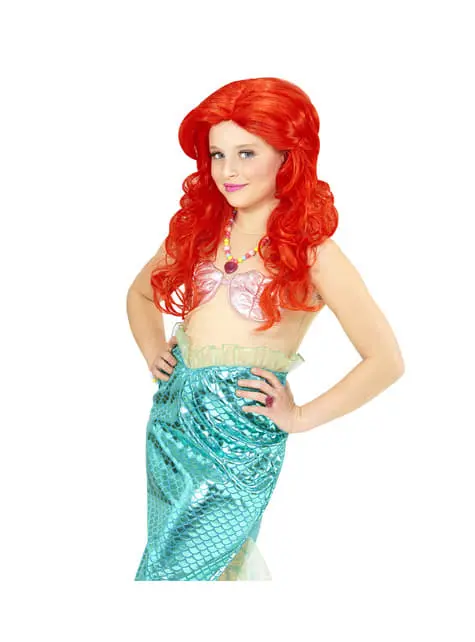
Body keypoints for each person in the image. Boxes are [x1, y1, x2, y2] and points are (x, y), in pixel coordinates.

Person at [126, 77, 405, 581]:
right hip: (170, 424)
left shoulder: (313, 254)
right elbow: (140, 295)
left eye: (247, 153)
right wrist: (153, 351)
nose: (228, 171)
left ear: (287, 156)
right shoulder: (202, 235)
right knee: (178, 563)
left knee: (175, 575)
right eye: (217, 154)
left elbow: (385, 360)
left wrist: (298, 416)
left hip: (239, 435)